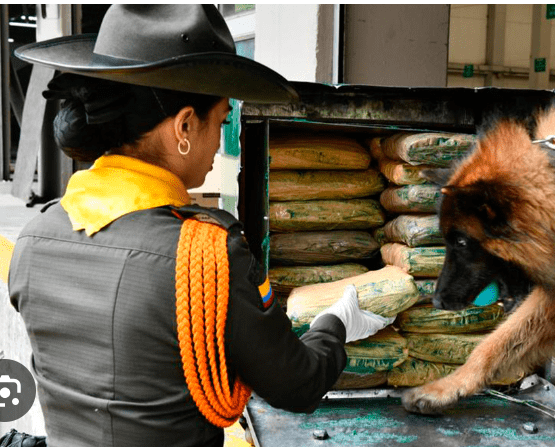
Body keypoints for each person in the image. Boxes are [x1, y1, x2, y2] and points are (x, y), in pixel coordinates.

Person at [8, 5, 390, 446]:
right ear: (185, 125)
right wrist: (335, 323)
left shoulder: (36, 238)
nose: (219, 141)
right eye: (222, 119)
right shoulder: (207, 255)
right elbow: (296, 384)